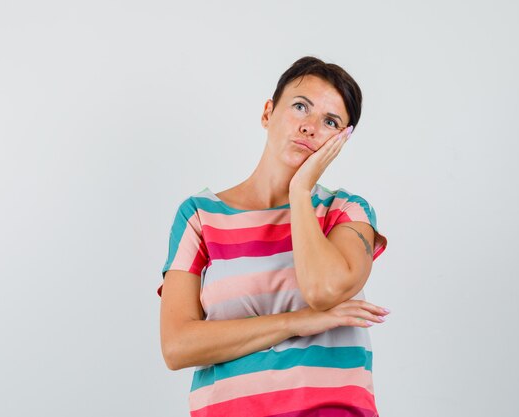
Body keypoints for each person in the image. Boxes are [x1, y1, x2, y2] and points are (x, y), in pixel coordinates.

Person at [157, 56, 389, 417]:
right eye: (301, 107)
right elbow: (177, 346)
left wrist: (300, 192)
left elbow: (322, 290)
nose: (311, 127)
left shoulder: (347, 212)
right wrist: (296, 322)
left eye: (330, 121)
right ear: (268, 113)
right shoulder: (200, 215)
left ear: (342, 140)